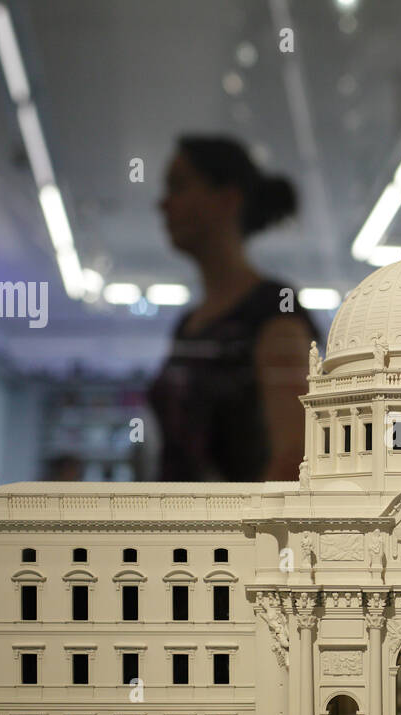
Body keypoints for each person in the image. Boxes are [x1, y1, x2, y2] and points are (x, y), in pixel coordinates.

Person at [148, 135, 316, 482]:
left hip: (231, 532)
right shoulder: (189, 324)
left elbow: (295, 456)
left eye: (179, 186)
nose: (163, 204)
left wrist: (248, 536)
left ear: (228, 199)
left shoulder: (273, 311)